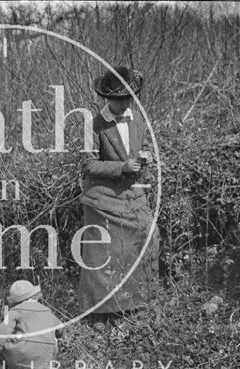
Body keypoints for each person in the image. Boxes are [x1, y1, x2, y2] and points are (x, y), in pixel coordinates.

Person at [78, 66, 160, 333]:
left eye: (129, 97)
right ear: (107, 98)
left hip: (132, 192)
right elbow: (88, 165)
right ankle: (99, 313)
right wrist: (120, 167)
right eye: (120, 98)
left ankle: (139, 302)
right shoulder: (95, 124)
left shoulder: (137, 118)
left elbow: (142, 146)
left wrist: (144, 156)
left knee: (147, 233)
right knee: (102, 252)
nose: (126, 102)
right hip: (102, 196)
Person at [0, 280, 63, 369]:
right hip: (45, 357)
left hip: (22, 352)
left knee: (1, 345)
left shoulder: (15, 311)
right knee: (48, 349)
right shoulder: (47, 311)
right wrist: (58, 338)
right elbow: (60, 328)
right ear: (34, 295)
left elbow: (3, 331)